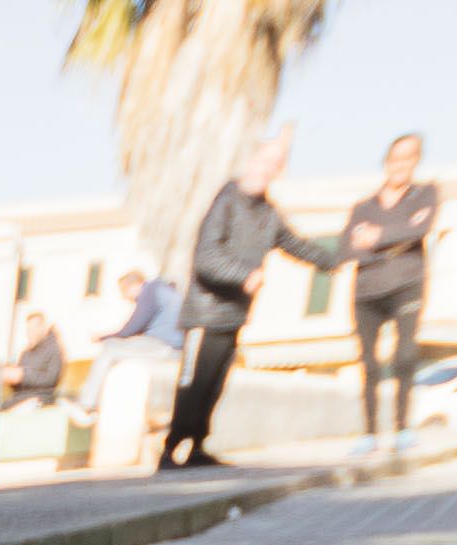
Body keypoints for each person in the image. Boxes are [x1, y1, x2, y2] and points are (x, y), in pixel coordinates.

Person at [160, 131, 343, 470]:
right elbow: (206, 257)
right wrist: (244, 275)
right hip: (205, 313)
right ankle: (171, 450)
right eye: (265, 162)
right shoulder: (225, 202)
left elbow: (298, 246)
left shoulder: (269, 215)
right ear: (251, 162)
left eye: (276, 165)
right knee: (193, 383)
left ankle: (198, 446)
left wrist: (342, 256)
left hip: (234, 315)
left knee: (215, 384)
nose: (268, 170)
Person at [344, 133, 440, 444]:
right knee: (369, 363)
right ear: (386, 162)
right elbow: (347, 247)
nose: (401, 164)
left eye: (409, 157)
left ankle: (402, 427)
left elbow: (420, 230)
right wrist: (395, 240)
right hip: (366, 291)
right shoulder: (363, 207)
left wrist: (376, 237)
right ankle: (369, 432)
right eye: (396, 158)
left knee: (405, 355)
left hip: (407, 285)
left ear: (416, 161)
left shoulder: (426, 195)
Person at [78, 267, 182, 411]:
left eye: (123, 292)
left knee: (109, 348)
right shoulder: (162, 289)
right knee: (115, 347)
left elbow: (132, 328)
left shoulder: (151, 290)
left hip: (163, 346)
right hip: (170, 346)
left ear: (134, 286)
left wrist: (102, 337)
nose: (124, 297)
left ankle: (86, 404)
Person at [2, 312, 65, 405]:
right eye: (28, 329)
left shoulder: (54, 349)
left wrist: (22, 375)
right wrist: (11, 379)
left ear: (43, 328)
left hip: (40, 399)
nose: (29, 333)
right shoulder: (26, 352)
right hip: (20, 397)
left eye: (33, 328)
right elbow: (20, 383)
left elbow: (51, 379)